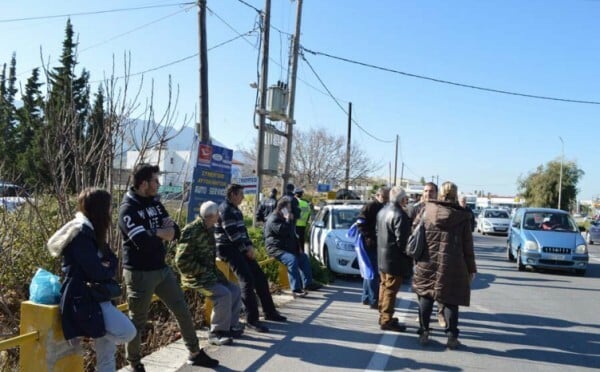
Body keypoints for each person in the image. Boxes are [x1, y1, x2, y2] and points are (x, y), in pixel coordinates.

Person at [119, 164, 218, 370]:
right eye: (155, 180)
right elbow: (143, 243)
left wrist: (154, 232)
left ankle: (195, 352)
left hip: (161, 269)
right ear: (143, 183)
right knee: (138, 321)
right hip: (139, 274)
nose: (159, 184)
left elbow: (176, 231)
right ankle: (135, 364)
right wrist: (161, 233)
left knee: (182, 310)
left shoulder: (155, 203)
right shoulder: (128, 209)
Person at [48, 187, 136, 372]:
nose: (111, 210)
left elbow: (112, 260)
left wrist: (106, 266)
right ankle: (89, 331)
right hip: (84, 297)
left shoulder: (92, 231)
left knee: (106, 353)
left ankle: (94, 335)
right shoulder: (81, 233)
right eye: (109, 206)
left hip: (97, 295)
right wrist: (105, 267)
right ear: (100, 209)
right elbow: (96, 271)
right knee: (128, 332)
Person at [412, 181, 477, 349]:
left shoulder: (427, 211)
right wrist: (471, 268)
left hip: (427, 261)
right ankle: (451, 336)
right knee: (450, 300)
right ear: (455, 195)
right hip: (452, 264)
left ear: (440, 193)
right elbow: (467, 246)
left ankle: (424, 332)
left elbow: (415, 231)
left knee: (426, 296)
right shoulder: (462, 216)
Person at [215, 183, 287, 333]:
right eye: (241, 194)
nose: (242, 197)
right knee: (246, 280)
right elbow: (232, 235)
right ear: (233, 194)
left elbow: (243, 232)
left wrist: (249, 247)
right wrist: (245, 250)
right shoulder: (225, 210)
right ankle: (251, 319)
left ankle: (270, 312)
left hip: (240, 248)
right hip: (227, 249)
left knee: (260, 277)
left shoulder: (236, 210)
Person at [175, 201, 243, 347]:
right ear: (211, 216)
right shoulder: (191, 231)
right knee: (223, 294)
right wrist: (203, 270)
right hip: (195, 277)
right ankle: (216, 332)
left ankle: (230, 326)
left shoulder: (209, 228)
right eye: (217, 214)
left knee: (235, 289)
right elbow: (181, 262)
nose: (219, 216)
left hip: (211, 274)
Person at [265, 198, 322, 298]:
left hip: (286, 247)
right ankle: (296, 289)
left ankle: (308, 283)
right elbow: (283, 231)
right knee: (292, 260)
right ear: (282, 208)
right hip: (276, 248)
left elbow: (293, 234)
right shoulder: (273, 218)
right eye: (288, 208)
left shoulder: (285, 219)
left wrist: (298, 247)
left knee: (303, 257)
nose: (290, 210)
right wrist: (288, 219)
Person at [376, 186, 412, 332]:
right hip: (394, 258)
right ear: (402, 199)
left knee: (384, 287)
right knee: (390, 289)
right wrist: (409, 256)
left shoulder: (382, 211)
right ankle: (387, 319)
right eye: (406, 198)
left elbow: (377, 231)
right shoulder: (399, 215)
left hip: (382, 256)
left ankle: (383, 315)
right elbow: (402, 241)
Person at [356, 187, 390, 309]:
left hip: (376, 243)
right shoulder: (370, 206)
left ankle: (366, 297)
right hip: (369, 243)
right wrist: (369, 236)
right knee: (373, 272)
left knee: (369, 272)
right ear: (378, 195)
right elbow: (360, 223)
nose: (386, 200)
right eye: (384, 197)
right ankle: (373, 299)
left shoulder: (384, 206)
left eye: (388, 198)